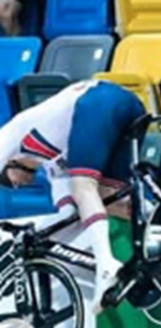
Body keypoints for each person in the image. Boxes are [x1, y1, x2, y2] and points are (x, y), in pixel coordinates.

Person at [0, 80, 146, 312]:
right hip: (128, 105)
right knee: (112, 199)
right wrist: (40, 237)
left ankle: (106, 265)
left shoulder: (9, 135)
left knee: (83, 186)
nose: (15, 187)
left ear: (9, 163)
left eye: (6, 181)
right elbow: (68, 212)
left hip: (97, 100)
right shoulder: (51, 163)